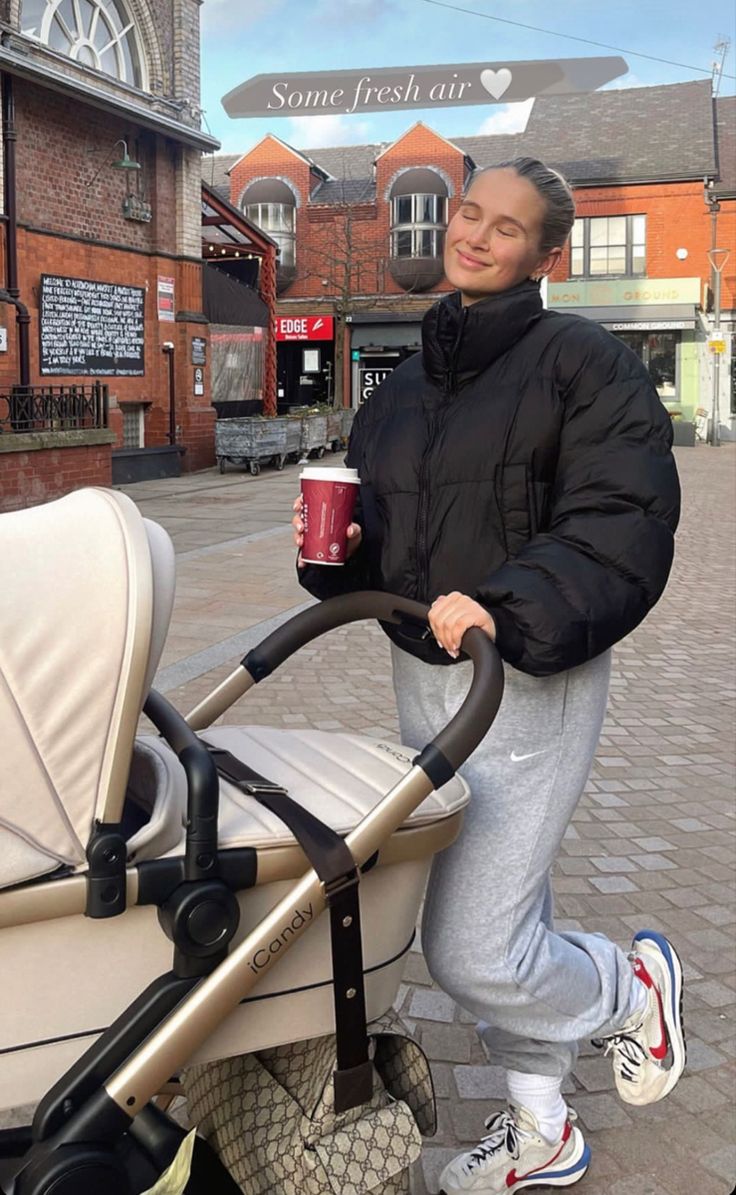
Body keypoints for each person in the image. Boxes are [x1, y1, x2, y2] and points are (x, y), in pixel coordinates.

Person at [292, 158, 684, 1195]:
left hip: (525, 676)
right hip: (426, 677)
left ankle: (623, 987)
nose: (473, 233)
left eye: (506, 228)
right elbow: (394, 532)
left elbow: (619, 524)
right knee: (510, 917)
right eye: (469, 211)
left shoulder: (584, 362)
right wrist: (339, 555)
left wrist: (505, 604)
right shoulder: (405, 385)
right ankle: (542, 1126)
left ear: (544, 255)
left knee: (472, 949)